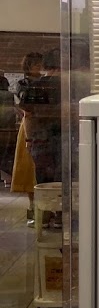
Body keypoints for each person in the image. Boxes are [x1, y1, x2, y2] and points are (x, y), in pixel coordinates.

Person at [22, 48, 61, 227]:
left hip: (41, 139)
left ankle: (44, 216)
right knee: (65, 178)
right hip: (67, 138)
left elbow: (28, 115)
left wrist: (28, 139)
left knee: (43, 179)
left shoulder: (35, 86)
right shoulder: (72, 86)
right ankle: (62, 215)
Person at [11, 51, 42, 225]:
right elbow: (24, 107)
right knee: (29, 168)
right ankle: (33, 207)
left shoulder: (45, 82)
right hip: (30, 125)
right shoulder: (23, 84)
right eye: (36, 64)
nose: (39, 67)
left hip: (42, 123)